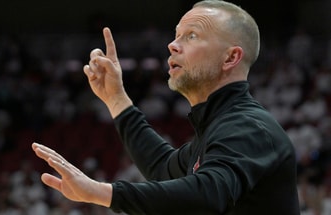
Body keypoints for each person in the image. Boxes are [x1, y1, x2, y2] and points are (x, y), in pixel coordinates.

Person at [32, 0, 300, 214]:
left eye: (191, 36)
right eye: (176, 36)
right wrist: (116, 99)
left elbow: (208, 193)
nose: (172, 45)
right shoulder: (217, 126)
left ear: (231, 57)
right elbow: (163, 170)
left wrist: (100, 192)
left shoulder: (249, 127)